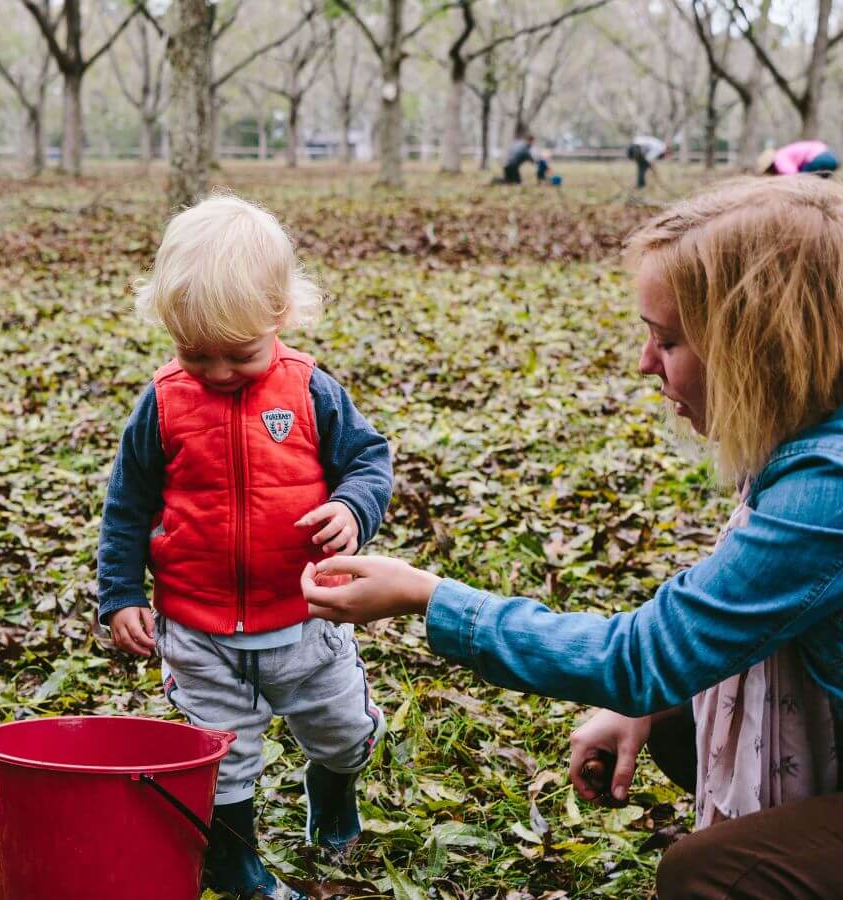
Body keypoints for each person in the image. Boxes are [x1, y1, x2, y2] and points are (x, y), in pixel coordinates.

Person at [299, 177, 843, 899]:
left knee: (705, 874)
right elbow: (706, 634)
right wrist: (645, 703)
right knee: (677, 713)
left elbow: (641, 655)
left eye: (671, 340)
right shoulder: (805, 442)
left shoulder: (826, 493)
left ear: (761, 348)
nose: (647, 363)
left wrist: (426, 596)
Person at [98, 194, 392, 900]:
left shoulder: (312, 389)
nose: (219, 372)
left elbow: (369, 461)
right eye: (196, 354)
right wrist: (120, 594)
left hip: (305, 617)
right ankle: (236, 862)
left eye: (240, 354)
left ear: (281, 316)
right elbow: (128, 504)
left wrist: (353, 509)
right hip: (199, 627)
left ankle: (332, 790)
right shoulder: (163, 402)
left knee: (344, 731)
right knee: (223, 757)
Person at [757, 140, 838, 177]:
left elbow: (792, 174)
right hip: (829, 157)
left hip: (818, 159)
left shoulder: (779, 158)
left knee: (802, 178)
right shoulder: (784, 152)